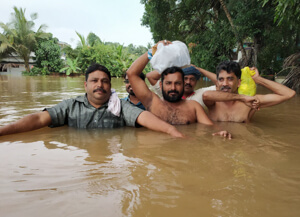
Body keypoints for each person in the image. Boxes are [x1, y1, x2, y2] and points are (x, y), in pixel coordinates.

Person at [0, 63, 183, 138]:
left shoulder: (119, 106)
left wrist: (173, 132)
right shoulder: (71, 106)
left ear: (110, 86)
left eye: (104, 81)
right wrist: (3, 131)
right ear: (85, 85)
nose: (99, 85)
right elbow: (39, 119)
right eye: (94, 81)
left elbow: (144, 117)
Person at [126, 41, 232, 139]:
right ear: (161, 84)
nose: (173, 88)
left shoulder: (193, 106)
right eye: (168, 83)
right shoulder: (152, 101)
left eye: (177, 83)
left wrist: (221, 132)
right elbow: (132, 73)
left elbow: (210, 126)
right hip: (159, 154)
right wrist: (152, 50)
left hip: (186, 150)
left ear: (183, 84)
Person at [202, 60, 296, 122]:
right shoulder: (213, 102)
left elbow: (289, 94)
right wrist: (242, 98)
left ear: (239, 82)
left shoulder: (251, 101)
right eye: (221, 79)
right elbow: (206, 95)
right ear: (217, 83)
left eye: (230, 79)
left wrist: (258, 79)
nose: (225, 83)